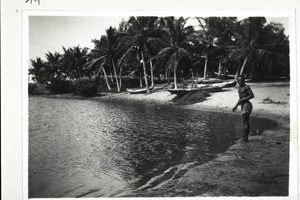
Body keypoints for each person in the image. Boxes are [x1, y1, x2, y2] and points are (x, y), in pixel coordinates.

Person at [232, 76, 254, 142]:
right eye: (239, 81)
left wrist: (243, 99)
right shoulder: (239, 88)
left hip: (247, 105)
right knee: (244, 122)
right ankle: (245, 138)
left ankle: (246, 138)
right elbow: (240, 99)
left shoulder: (246, 87)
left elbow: (252, 95)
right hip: (243, 105)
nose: (240, 82)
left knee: (245, 122)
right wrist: (236, 106)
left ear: (244, 80)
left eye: (241, 80)